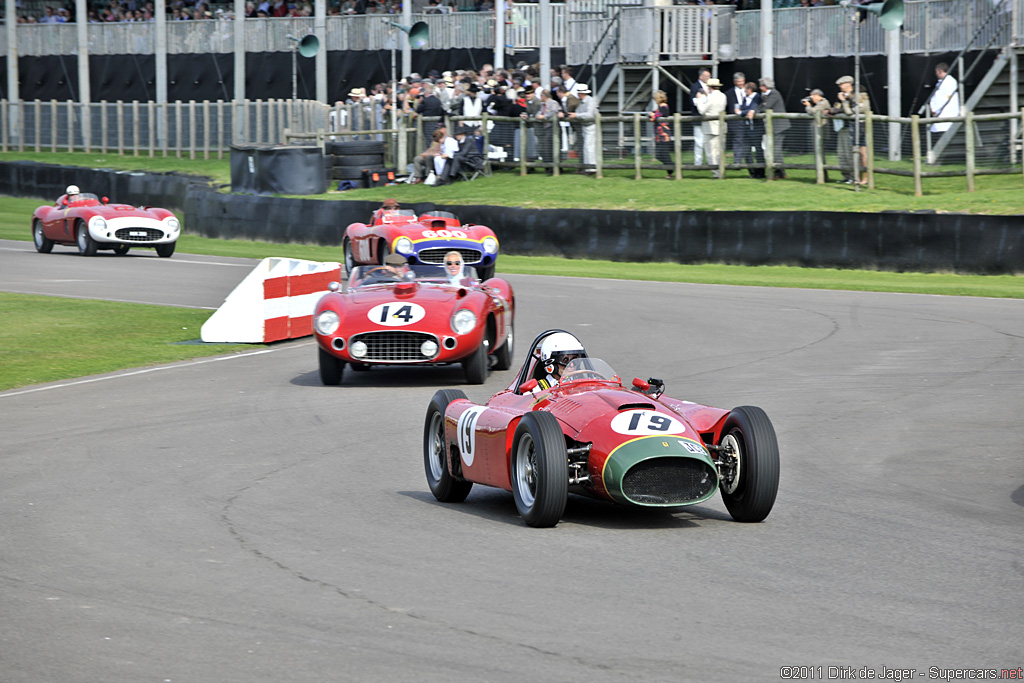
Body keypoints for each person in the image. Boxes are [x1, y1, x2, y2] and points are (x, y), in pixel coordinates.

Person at [831, 75, 870, 185]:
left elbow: (850, 112)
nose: (840, 86)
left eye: (842, 84)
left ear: (849, 83)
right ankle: (850, 176)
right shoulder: (841, 96)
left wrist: (844, 102)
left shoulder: (859, 94)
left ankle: (862, 178)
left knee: (860, 154)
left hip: (859, 127)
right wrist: (831, 111)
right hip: (844, 127)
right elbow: (837, 108)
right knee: (845, 153)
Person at [757, 76, 790, 179]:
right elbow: (762, 106)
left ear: (765, 86)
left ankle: (779, 171)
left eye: (761, 85)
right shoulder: (768, 95)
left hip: (779, 127)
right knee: (775, 150)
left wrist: (756, 111)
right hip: (775, 127)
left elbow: (766, 107)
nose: (760, 88)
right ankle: (780, 172)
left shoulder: (774, 94)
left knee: (776, 150)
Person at [802, 88, 831, 182]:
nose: (812, 98)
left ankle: (822, 177)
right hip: (819, 131)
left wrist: (808, 105)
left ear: (818, 96)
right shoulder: (820, 103)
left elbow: (812, 112)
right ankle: (822, 176)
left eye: (813, 96)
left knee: (820, 154)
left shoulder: (823, 103)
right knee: (818, 153)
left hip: (821, 131)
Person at [568, 83, 597, 174]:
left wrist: (576, 115)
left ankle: (592, 168)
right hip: (585, 126)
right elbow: (578, 112)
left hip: (591, 126)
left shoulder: (590, 101)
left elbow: (589, 115)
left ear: (581, 93)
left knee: (589, 147)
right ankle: (588, 168)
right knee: (586, 148)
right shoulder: (581, 102)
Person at [739, 82, 764, 178]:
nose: (744, 90)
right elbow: (743, 109)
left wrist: (741, 112)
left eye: (746, 89)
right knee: (746, 151)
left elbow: (751, 109)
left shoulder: (757, 97)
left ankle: (760, 172)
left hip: (756, 128)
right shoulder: (745, 98)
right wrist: (743, 112)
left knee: (758, 150)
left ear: (750, 89)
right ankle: (752, 171)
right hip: (747, 128)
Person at [928, 62, 959, 133]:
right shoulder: (940, 82)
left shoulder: (950, 81)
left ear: (940, 71)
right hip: (939, 114)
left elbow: (944, 98)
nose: (936, 74)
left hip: (946, 114)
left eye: (936, 72)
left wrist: (935, 109)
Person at [725, 72, 748, 167]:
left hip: (748, 119)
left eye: (742, 81)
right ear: (734, 82)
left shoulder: (749, 91)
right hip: (735, 121)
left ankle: (749, 162)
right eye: (738, 82)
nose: (740, 83)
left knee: (747, 141)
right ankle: (738, 162)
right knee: (738, 140)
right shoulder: (728, 93)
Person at [690, 68, 712, 166]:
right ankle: (698, 162)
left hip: (709, 117)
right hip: (698, 117)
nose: (708, 78)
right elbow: (693, 101)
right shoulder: (694, 87)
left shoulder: (711, 87)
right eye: (706, 76)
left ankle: (710, 161)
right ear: (701, 76)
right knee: (699, 141)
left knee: (709, 141)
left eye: (709, 76)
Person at [650, 90, 672, 178]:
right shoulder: (659, 108)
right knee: (659, 154)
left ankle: (671, 169)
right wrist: (652, 114)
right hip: (659, 135)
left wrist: (653, 115)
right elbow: (653, 115)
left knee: (663, 153)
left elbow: (657, 115)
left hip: (664, 135)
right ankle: (671, 169)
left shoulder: (664, 107)